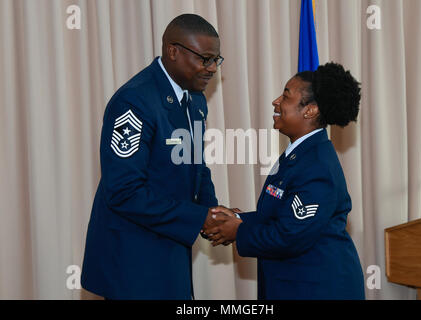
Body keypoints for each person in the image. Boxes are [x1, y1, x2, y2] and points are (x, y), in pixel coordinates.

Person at [81, 14, 229, 299]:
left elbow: (196, 164)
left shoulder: (196, 98)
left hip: (172, 243)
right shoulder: (134, 101)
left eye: (216, 60)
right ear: (173, 51)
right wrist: (199, 218)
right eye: (205, 58)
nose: (211, 68)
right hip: (133, 255)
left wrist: (213, 213)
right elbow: (124, 192)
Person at [205, 62, 366, 300]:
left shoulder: (318, 166)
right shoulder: (297, 154)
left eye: (286, 96)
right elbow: (280, 215)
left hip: (319, 289)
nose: (276, 101)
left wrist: (238, 231)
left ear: (310, 110)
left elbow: (290, 235)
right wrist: (237, 219)